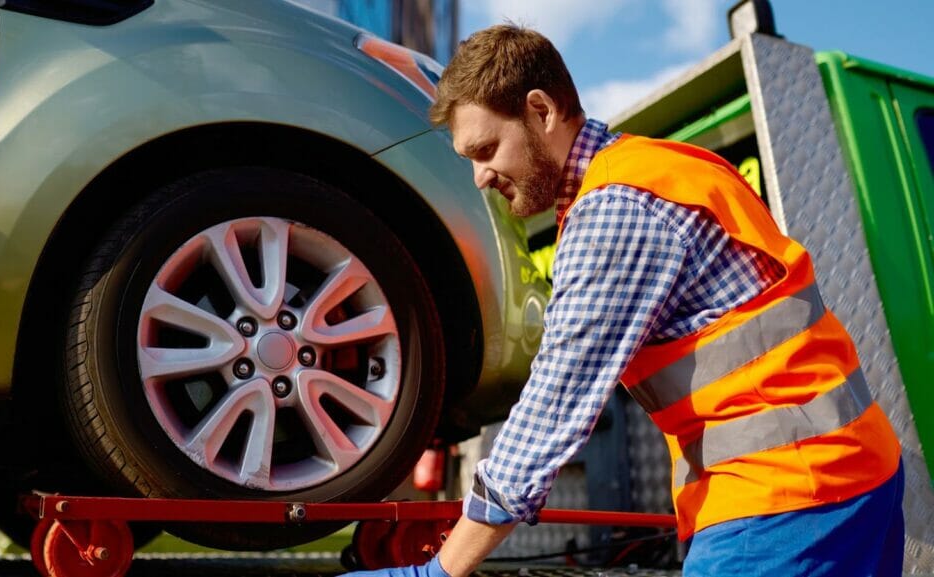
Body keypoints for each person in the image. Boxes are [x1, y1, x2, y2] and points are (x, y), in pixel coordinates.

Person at [344, 24, 905, 577]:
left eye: (487, 149)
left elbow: (553, 409)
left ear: (541, 111)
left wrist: (442, 570)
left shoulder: (615, 211)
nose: (480, 178)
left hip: (789, 499)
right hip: (852, 473)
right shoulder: (660, 167)